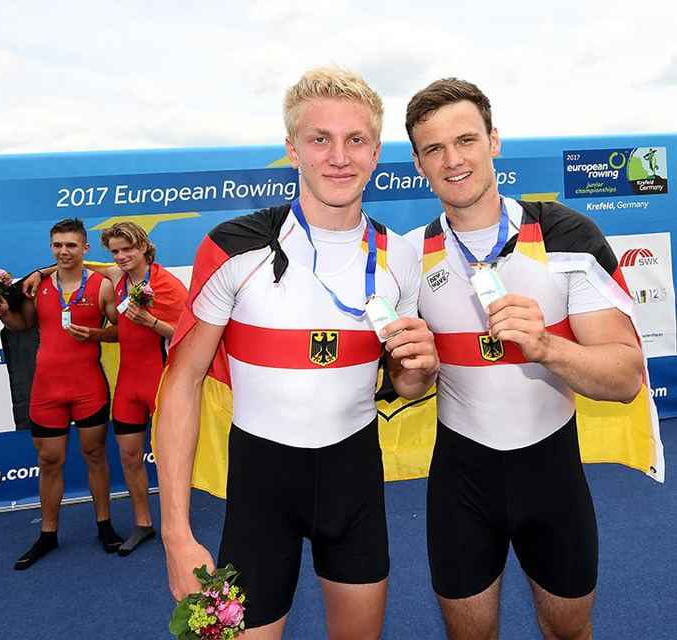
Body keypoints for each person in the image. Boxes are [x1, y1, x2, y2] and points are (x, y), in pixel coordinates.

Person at [155, 66, 439, 639]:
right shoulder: (234, 248)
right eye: (319, 139)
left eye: (355, 139)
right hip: (259, 492)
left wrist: (421, 370)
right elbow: (182, 383)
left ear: (376, 152)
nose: (339, 157)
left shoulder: (400, 258)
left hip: (354, 487)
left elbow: (406, 384)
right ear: (292, 149)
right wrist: (176, 533)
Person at [404, 78, 645, 640]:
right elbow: (408, 386)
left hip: (551, 473)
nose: (453, 159)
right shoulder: (408, 255)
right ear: (418, 164)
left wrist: (547, 348)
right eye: (434, 148)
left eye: (466, 140)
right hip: (461, 480)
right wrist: (414, 370)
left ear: (494, 140)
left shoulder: (566, 233)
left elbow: (626, 378)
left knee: (569, 633)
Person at [25, 222, 188, 556]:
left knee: (170, 459)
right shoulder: (116, 278)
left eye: (128, 249)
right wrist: (39, 273)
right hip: (128, 383)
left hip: (160, 380)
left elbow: (189, 333)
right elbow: (76, 264)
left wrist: (150, 321)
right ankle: (143, 524)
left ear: (144, 247)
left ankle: (178, 527)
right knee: (129, 456)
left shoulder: (167, 283)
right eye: (115, 251)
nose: (121, 256)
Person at [0, 218, 123, 569]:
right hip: (47, 388)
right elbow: (23, 324)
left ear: (85, 248)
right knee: (49, 461)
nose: (64, 251)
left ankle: (105, 526)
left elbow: (122, 330)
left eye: (71, 245)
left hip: (87, 386)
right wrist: (3, 315)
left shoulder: (102, 286)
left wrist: (96, 335)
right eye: (58, 245)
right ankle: (48, 534)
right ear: (51, 247)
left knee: (95, 454)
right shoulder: (39, 286)